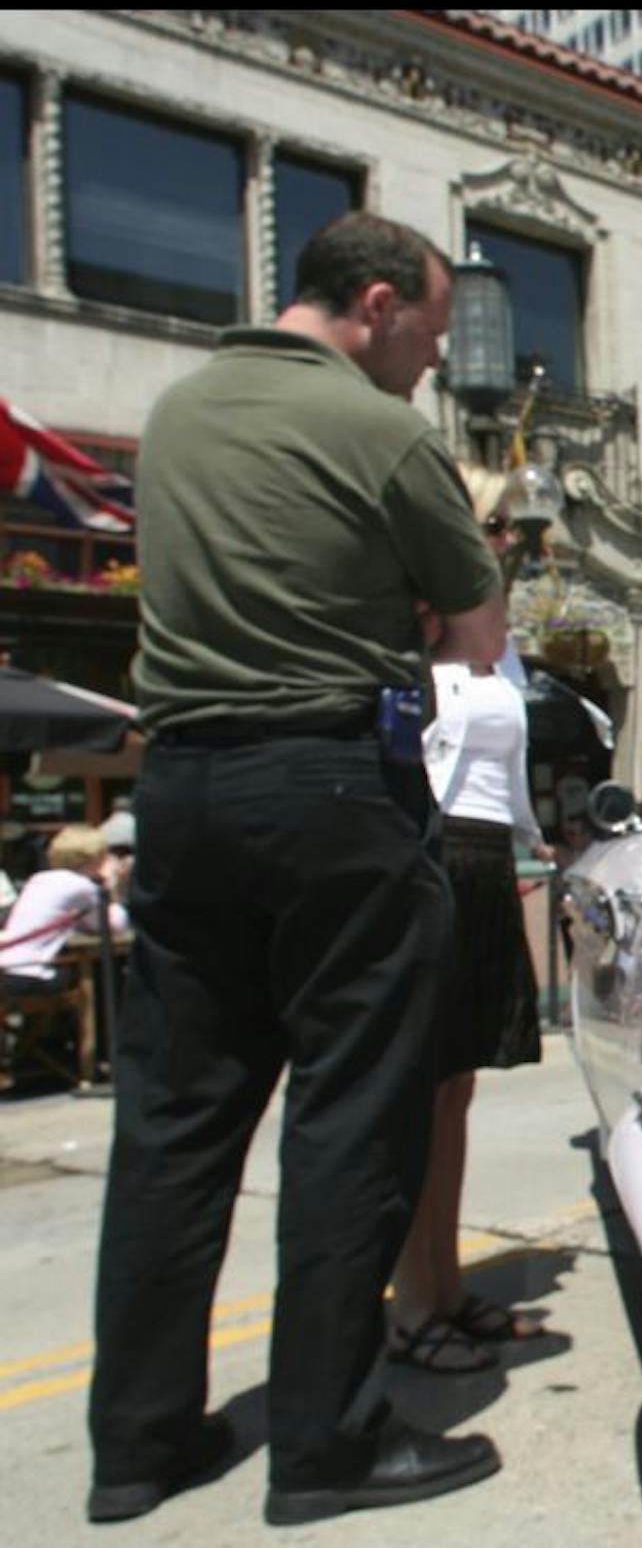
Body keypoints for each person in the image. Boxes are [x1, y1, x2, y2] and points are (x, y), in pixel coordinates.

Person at [86, 211, 508, 1528]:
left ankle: (138, 1446)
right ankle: (325, 1445)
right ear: (375, 303)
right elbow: (483, 638)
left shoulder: (177, 415)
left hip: (183, 789)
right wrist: (414, 604)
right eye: (430, 334)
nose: (433, 362)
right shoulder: (383, 435)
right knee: (350, 1115)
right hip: (331, 788)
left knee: (171, 1125)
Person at [389, 466, 551, 1372]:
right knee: (424, 1086)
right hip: (433, 849)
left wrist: (532, 846)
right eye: (493, 527)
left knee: (458, 1087)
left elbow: (504, 766)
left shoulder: (495, 645)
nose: (505, 546)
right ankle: (413, 1301)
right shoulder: (413, 627)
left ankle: (444, 1286)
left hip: (486, 855)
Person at [0, 824, 124, 991]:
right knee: (94, 976)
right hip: (31, 972)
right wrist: (113, 885)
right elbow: (114, 924)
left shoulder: (39, 879)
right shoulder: (81, 886)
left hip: (7, 968)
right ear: (96, 858)